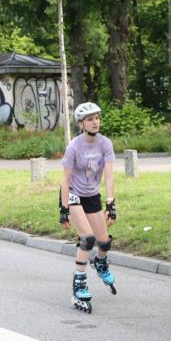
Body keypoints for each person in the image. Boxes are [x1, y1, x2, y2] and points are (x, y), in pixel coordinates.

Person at [60, 102, 117, 312]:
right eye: (90, 119)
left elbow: (109, 176)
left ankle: (100, 262)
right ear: (81, 123)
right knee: (87, 239)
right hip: (74, 194)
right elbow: (65, 180)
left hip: (92, 195)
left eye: (97, 118)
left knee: (104, 243)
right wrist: (64, 209)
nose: (95, 122)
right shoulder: (74, 147)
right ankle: (79, 283)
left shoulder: (105, 144)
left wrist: (111, 203)